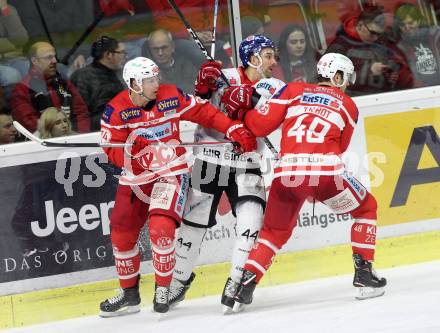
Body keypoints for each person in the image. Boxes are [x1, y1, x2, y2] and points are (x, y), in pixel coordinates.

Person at [221, 53, 387, 312]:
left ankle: (246, 285)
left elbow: (259, 126)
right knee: (366, 209)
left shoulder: (292, 90)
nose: (346, 84)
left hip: (286, 174)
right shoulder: (348, 104)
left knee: (273, 233)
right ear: (338, 76)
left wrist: (245, 110)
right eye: (345, 78)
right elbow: (340, 147)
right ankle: (364, 275)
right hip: (325, 174)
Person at [98, 56, 257, 316]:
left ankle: (163, 288)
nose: (156, 84)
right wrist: (131, 155)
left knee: (162, 228)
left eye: (156, 78)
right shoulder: (115, 111)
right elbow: (111, 151)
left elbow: (204, 112)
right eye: (149, 80)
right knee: (121, 232)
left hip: (170, 173)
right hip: (136, 178)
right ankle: (129, 294)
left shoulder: (170, 95)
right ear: (134, 84)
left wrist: (233, 129)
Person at [167, 34, 285, 314]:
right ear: (252, 57)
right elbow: (195, 109)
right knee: (192, 226)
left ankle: (236, 281)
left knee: (251, 224)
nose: (273, 61)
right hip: (209, 158)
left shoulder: (276, 84)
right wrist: (203, 88)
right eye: (268, 55)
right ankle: (179, 281)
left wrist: (251, 98)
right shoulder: (222, 75)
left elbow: (270, 113)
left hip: (247, 162)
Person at [326, 5, 413, 96]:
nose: (375, 38)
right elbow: (329, 81)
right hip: (352, 102)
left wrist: (395, 73)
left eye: (379, 34)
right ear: (360, 26)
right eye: (372, 33)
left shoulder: (382, 44)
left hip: (384, 98)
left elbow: (406, 79)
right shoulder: (340, 46)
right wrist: (369, 71)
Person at [10, 41, 90, 133]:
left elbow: (81, 113)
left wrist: (79, 137)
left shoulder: (64, 83)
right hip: (45, 144)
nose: (55, 61)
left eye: (55, 56)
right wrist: (57, 137)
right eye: (49, 57)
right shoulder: (22, 89)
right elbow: (28, 123)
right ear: (35, 61)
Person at [71, 36, 126, 131]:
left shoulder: (117, 72)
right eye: (121, 53)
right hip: (96, 133)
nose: (125, 56)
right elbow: (80, 116)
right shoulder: (83, 76)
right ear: (108, 54)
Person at [392, 3, 440, 87]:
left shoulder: (436, 36)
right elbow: (403, 76)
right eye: (402, 25)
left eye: (410, 23)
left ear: (418, 21)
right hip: (419, 93)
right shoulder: (400, 48)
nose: (407, 27)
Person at [143, 29, 197, 94]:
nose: (160, 53)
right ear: (150, 50)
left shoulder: (186, 64)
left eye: (164, 48)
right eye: (155, 49)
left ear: (172, 47)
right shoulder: (146, 71)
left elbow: (194, 88)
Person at [0, 0, 28, 88]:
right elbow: (16, 43)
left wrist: (5, 10)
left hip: (15, 58)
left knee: (34, 73)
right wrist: (11, 44)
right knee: (12, 76)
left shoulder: (9, 10)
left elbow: (21, 39)